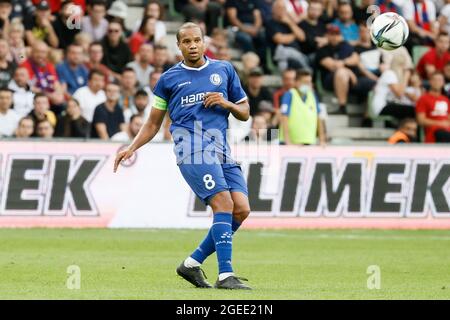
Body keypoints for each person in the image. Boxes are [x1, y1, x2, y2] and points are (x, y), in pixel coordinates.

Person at [114, 22, 252, 290]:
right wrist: (131, 147)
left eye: (196, 40)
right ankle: (226, 275)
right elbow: (154, 123)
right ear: (178, 46)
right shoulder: (167, 80)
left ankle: (190, 264)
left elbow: (245, 111)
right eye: (186, 41)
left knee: (242, 209)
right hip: (191, 149)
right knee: (223, 203)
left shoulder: (224, 69)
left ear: (204, 42)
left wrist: (226, 103)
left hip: (221, 149)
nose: (192, 45)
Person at [316, 24, 376, 114]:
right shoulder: (323, 49)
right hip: (331, 79)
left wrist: (343, 62)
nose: (334, 37)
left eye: (336, 34)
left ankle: (368, 117)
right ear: (327, 35)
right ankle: (342, 106)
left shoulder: (346, 46)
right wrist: (348, 70)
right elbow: (332, 65)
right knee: (341, 72)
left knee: (376, 84)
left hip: (354, 79)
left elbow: (355, 59)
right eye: (331, 34)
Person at [280, 69, 326, 145]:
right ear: (297, 82)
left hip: (308, 141)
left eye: (309, 82)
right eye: (305, 82)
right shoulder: (289, 95)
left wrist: (322, 139)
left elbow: (319, 118)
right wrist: (288, 141)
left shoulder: (313, 96)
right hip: (291, 143)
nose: (308, 84)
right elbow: (284, 118)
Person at [266, 0, 310, 72]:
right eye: (279, 8)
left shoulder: (289, 22)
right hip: (281, 55)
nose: (282, 10)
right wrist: (295, 35)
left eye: (284, 8)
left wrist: (290, 23)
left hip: (296, 53)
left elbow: (302, 37)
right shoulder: (271, 23)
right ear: (273, 9)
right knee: (284, 55)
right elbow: (280, 39)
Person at [416, 72, 450, 142]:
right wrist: (440, 123)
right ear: (430, 82)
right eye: (434, 80)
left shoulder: (446, 100)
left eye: (440, 80)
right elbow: (420, 120)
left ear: (443, 83)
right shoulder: (423, 99)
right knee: (443, 134)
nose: (437, 82)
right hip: (434, 133)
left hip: (447, 130)